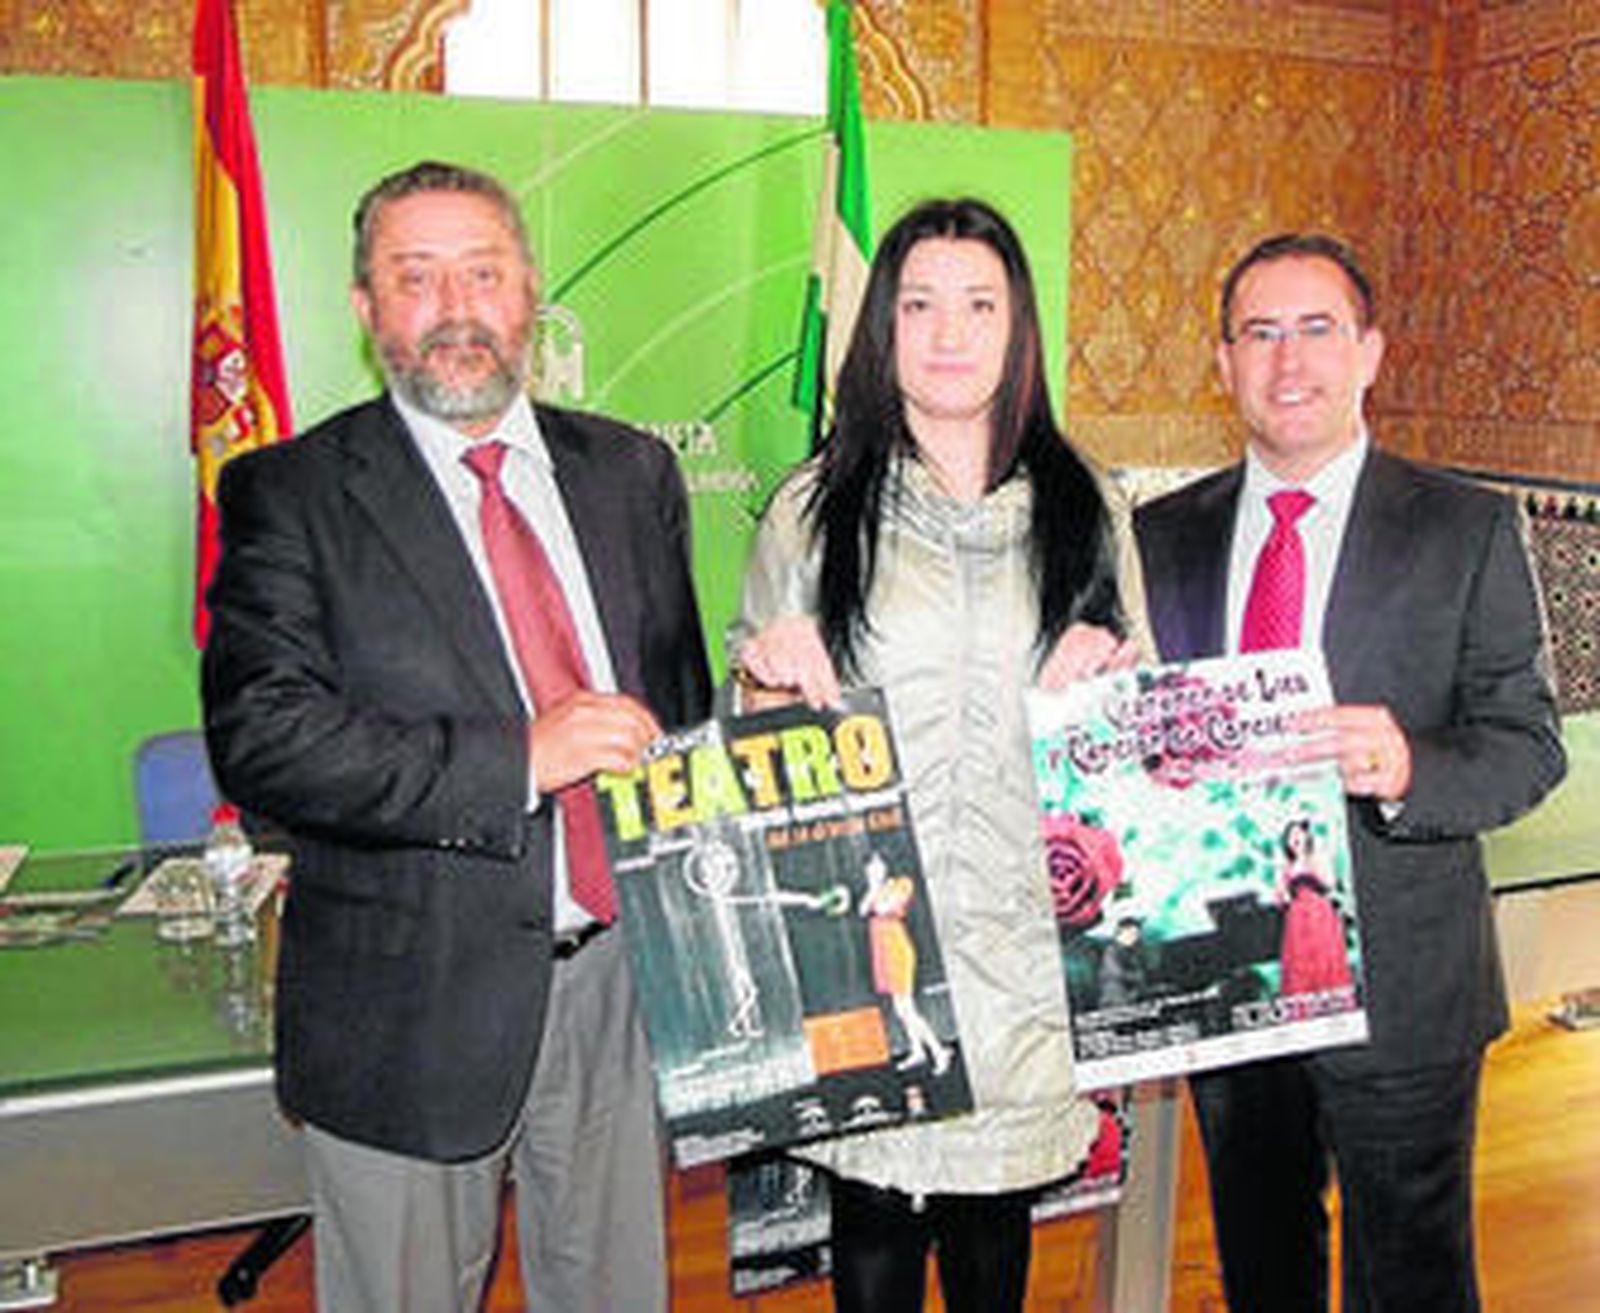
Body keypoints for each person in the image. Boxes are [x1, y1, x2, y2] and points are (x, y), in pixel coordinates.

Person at [202, 160, 711, 1312]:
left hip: (617, 990)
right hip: (405, 1004)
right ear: (365, 308)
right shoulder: (291, 491)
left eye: (481, 272)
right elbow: (263, 737)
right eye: (415, 277)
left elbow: (671, 713)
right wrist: (518, 757)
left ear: (529, 291)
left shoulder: (633, 472)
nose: (455, 307)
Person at [733, 197, 1151, 1313]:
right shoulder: (812, 510)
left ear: (1018, 329)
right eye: (919, 305)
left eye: (979, 304)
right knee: (870, 1211)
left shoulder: (1087, 506)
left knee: (992, 1222)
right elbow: (751, 739)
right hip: (877, 924)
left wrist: (1110, 684)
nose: (950, 333)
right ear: (884, 327)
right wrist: (765, 674)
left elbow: (1143, 731)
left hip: (1023, 935)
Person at [1135, 232, 1566, 1313]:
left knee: (1410, 1274)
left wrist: (1406, 764)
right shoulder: (1155, 536)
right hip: (1227, 976)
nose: (1290, 362)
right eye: (1259, 333)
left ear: (1370, 351)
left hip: (1405, 983)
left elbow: (1526, 740)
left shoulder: (1464, 525)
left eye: (1318, 329)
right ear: (1223, 360)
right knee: (1260, 1258)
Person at [859, 851, 950, 1075]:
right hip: (882, 953)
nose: (875, 869)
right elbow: (862, 910)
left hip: (897, 950)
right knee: (900, 1010)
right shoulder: (875, 889)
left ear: (885, 866)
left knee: (907, 1009)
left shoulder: (901, 884)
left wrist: (875, 887)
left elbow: (882, 908)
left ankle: (939, 1052)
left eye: (878, 865)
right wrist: (872, 886)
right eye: (870, 867)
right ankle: (917, 1051)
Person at [1274, 819, 1352, 998]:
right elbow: (1281, 899)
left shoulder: (1316, 857)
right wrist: (1280, 872)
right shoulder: (1286, 866)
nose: (1294, 838)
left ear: (1306, 836)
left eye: (1298, 834)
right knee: (1300, 960)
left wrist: (1312, 859)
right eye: (1290, 836)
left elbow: (1329, 883)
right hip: (1297, 917)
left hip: (1319, 912)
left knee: (1324, 955)